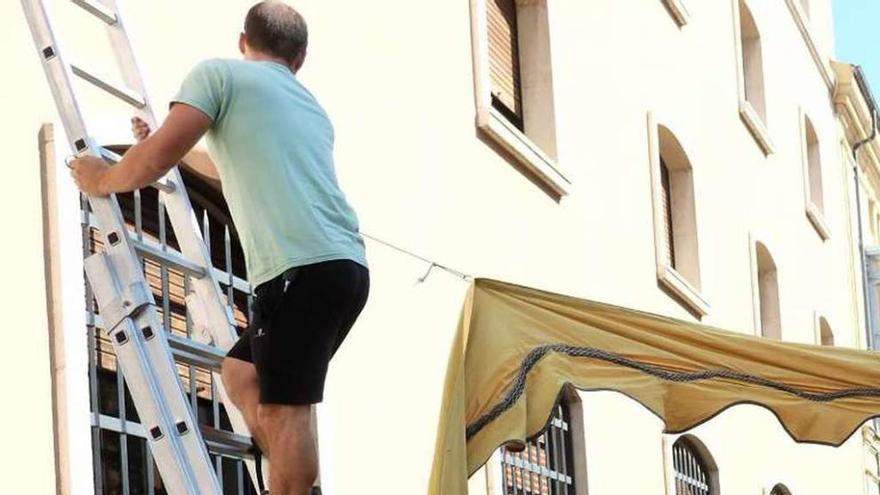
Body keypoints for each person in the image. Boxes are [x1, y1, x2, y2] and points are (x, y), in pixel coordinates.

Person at [69, 2, 370, 494]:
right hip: (338, 268)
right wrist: (171, 142)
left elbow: (153, 162)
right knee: (241, 373)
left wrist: (102, 177)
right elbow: (231, 166)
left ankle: (292, 482)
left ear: (242, 41)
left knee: (282, 408)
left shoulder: (219, 74)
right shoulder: (308, 107)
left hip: (300, 270)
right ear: (301, 57)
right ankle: (293, 477)